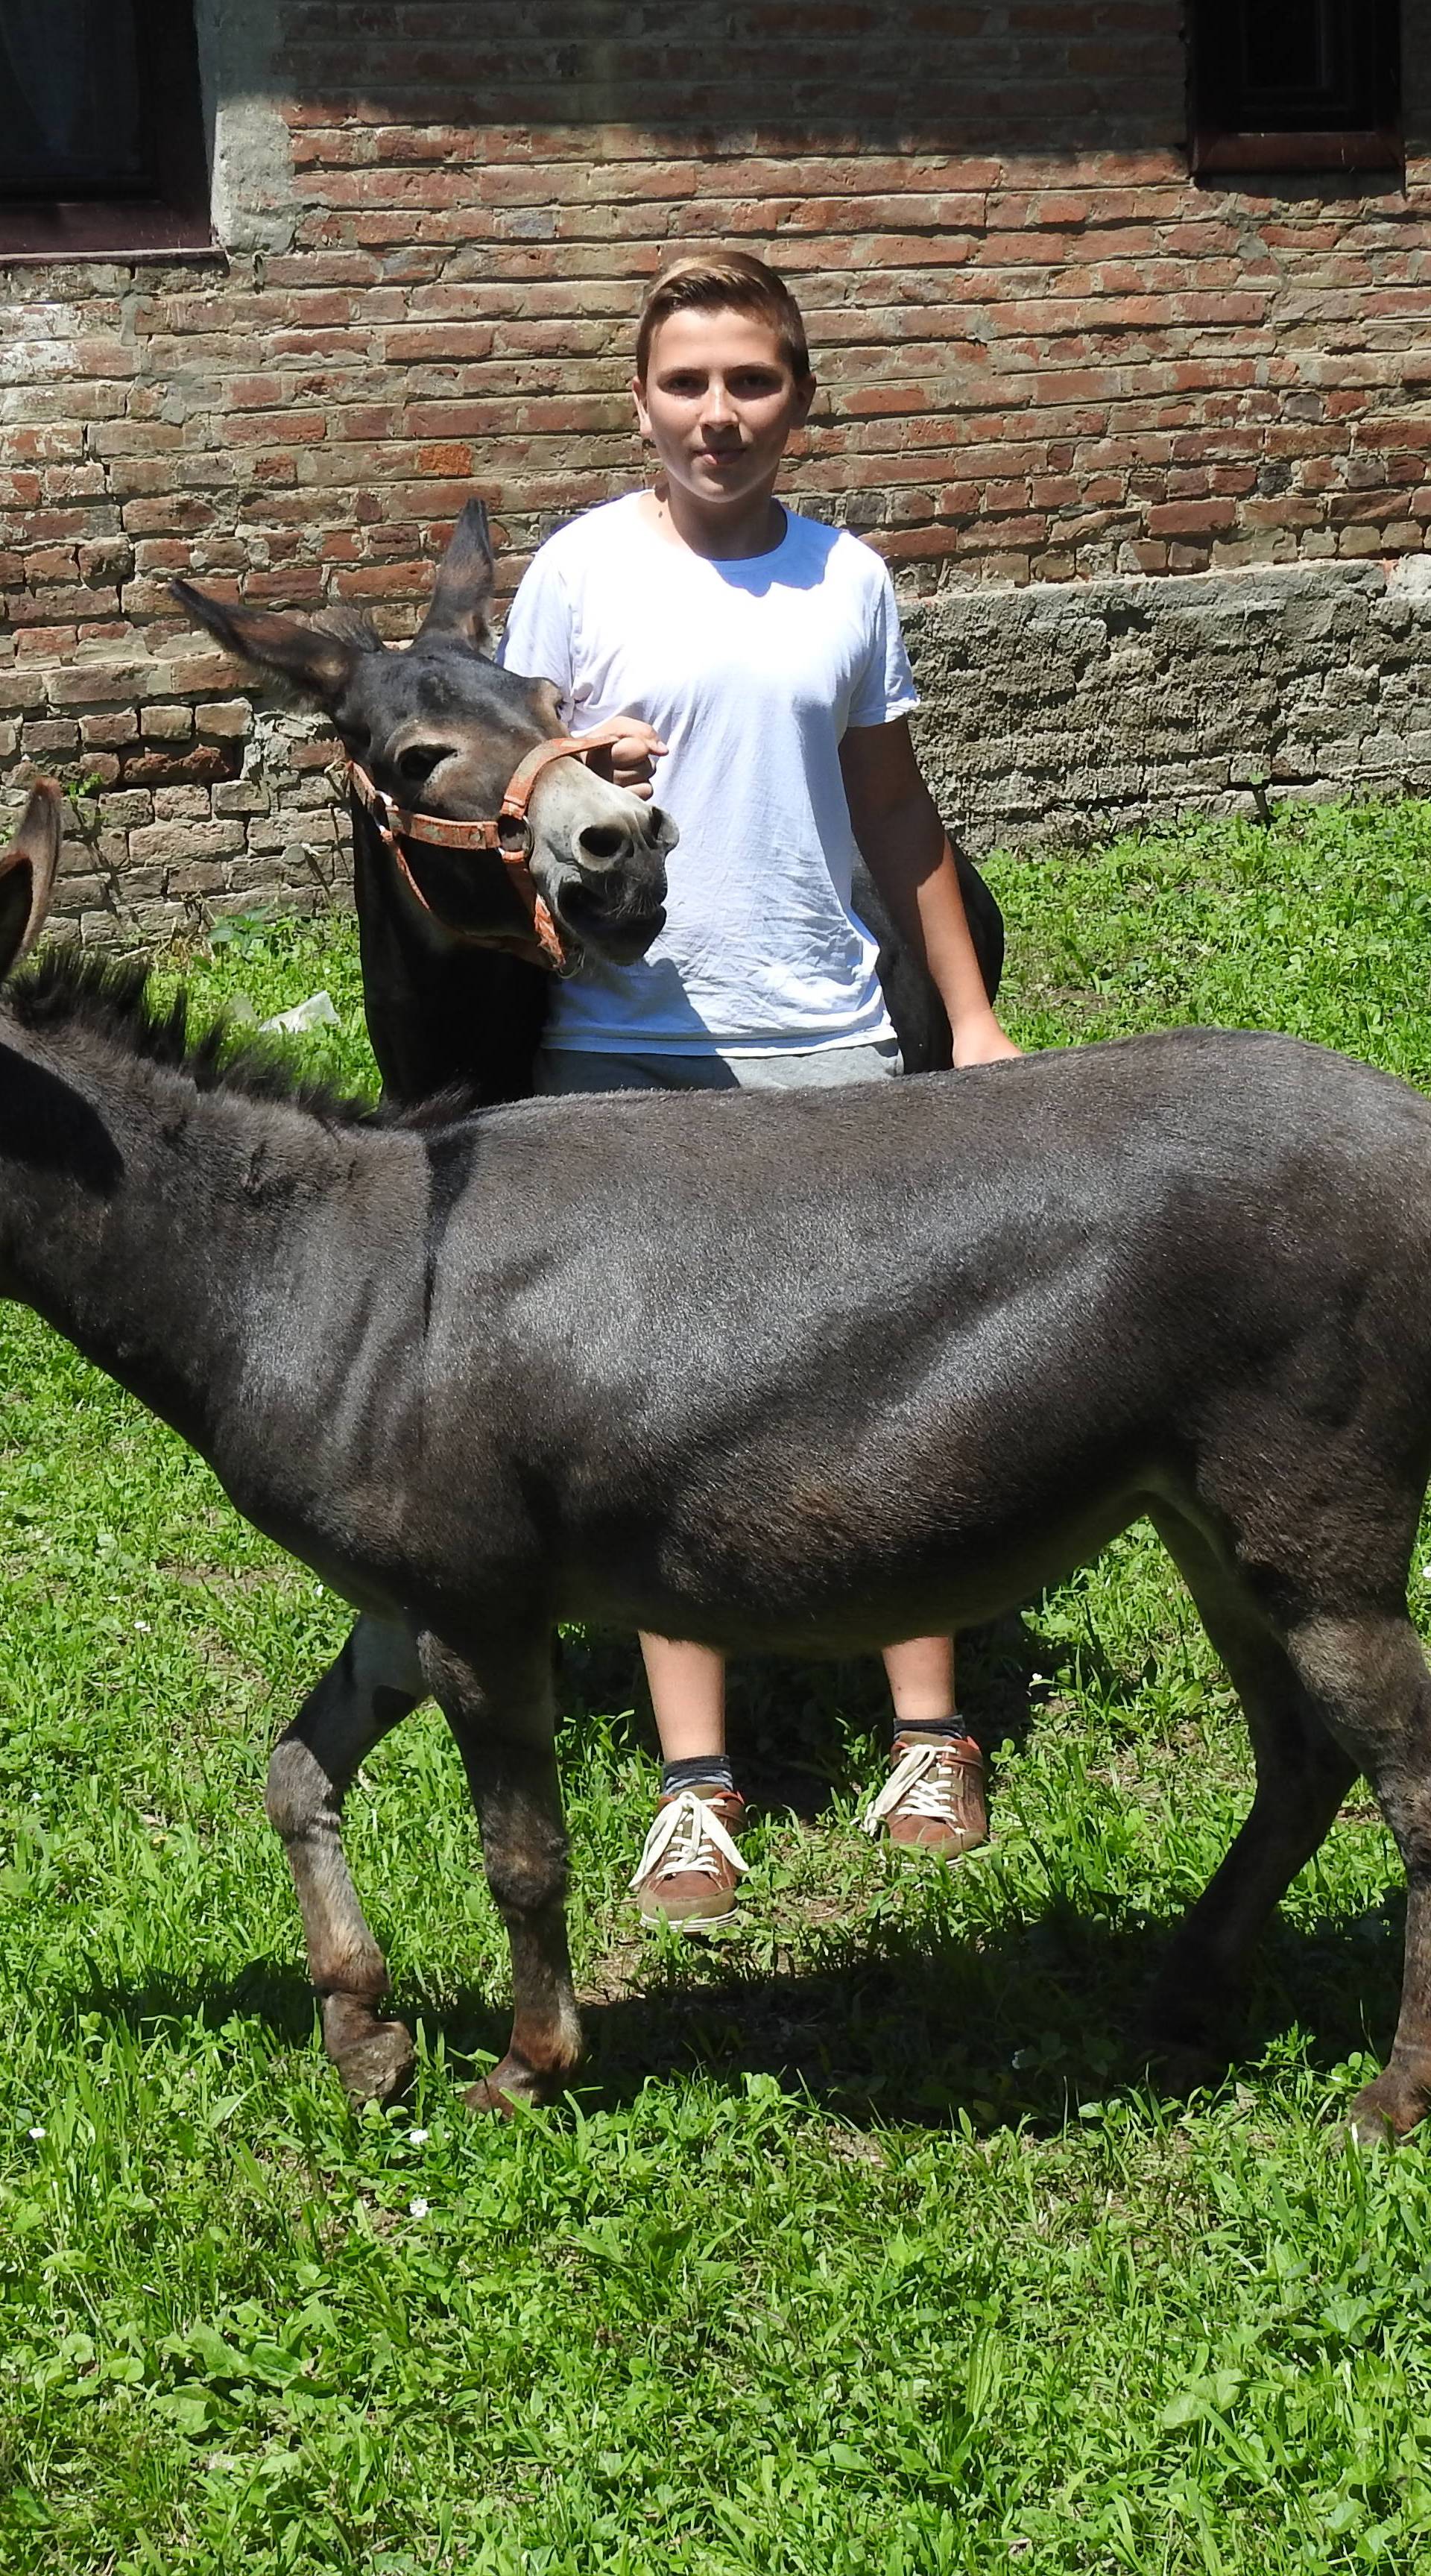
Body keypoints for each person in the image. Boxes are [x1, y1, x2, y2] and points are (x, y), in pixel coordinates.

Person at [498, 249, 1020, 1930]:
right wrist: (570, 766)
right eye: (687, 385)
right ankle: (695, 1790)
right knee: (652, 1416)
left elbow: (896, 815)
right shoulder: (578, 573)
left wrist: (972, 1019)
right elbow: (507, 807)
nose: (718, 417)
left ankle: (929, 1733)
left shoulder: (843, 579)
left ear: (798, 400)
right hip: (621, 1049)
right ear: (639, 401)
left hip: (824, 1034)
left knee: (892, 1385)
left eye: (752, 384)